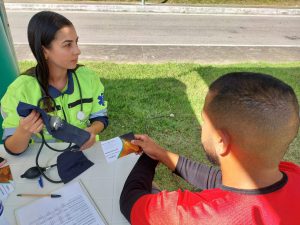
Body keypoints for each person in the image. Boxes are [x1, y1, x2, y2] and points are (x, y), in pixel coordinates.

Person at [120, 72, 300, 224]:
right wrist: (161, 154)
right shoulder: (293, 174)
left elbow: (131, 201)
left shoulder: (192, 215)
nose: (201, 126)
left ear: (221, 141)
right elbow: (219, 179)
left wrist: (147, 158)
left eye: (205, 120)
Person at [0, 11, 108, 155]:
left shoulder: (88, 78)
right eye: (67, 45)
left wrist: (92, 130)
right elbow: (13, 149)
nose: (77, 51)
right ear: (44, 51)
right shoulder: (20, 90)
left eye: (76, 42)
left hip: (84, 154)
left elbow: (100, 117)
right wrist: (23, 132)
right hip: (44, 162)